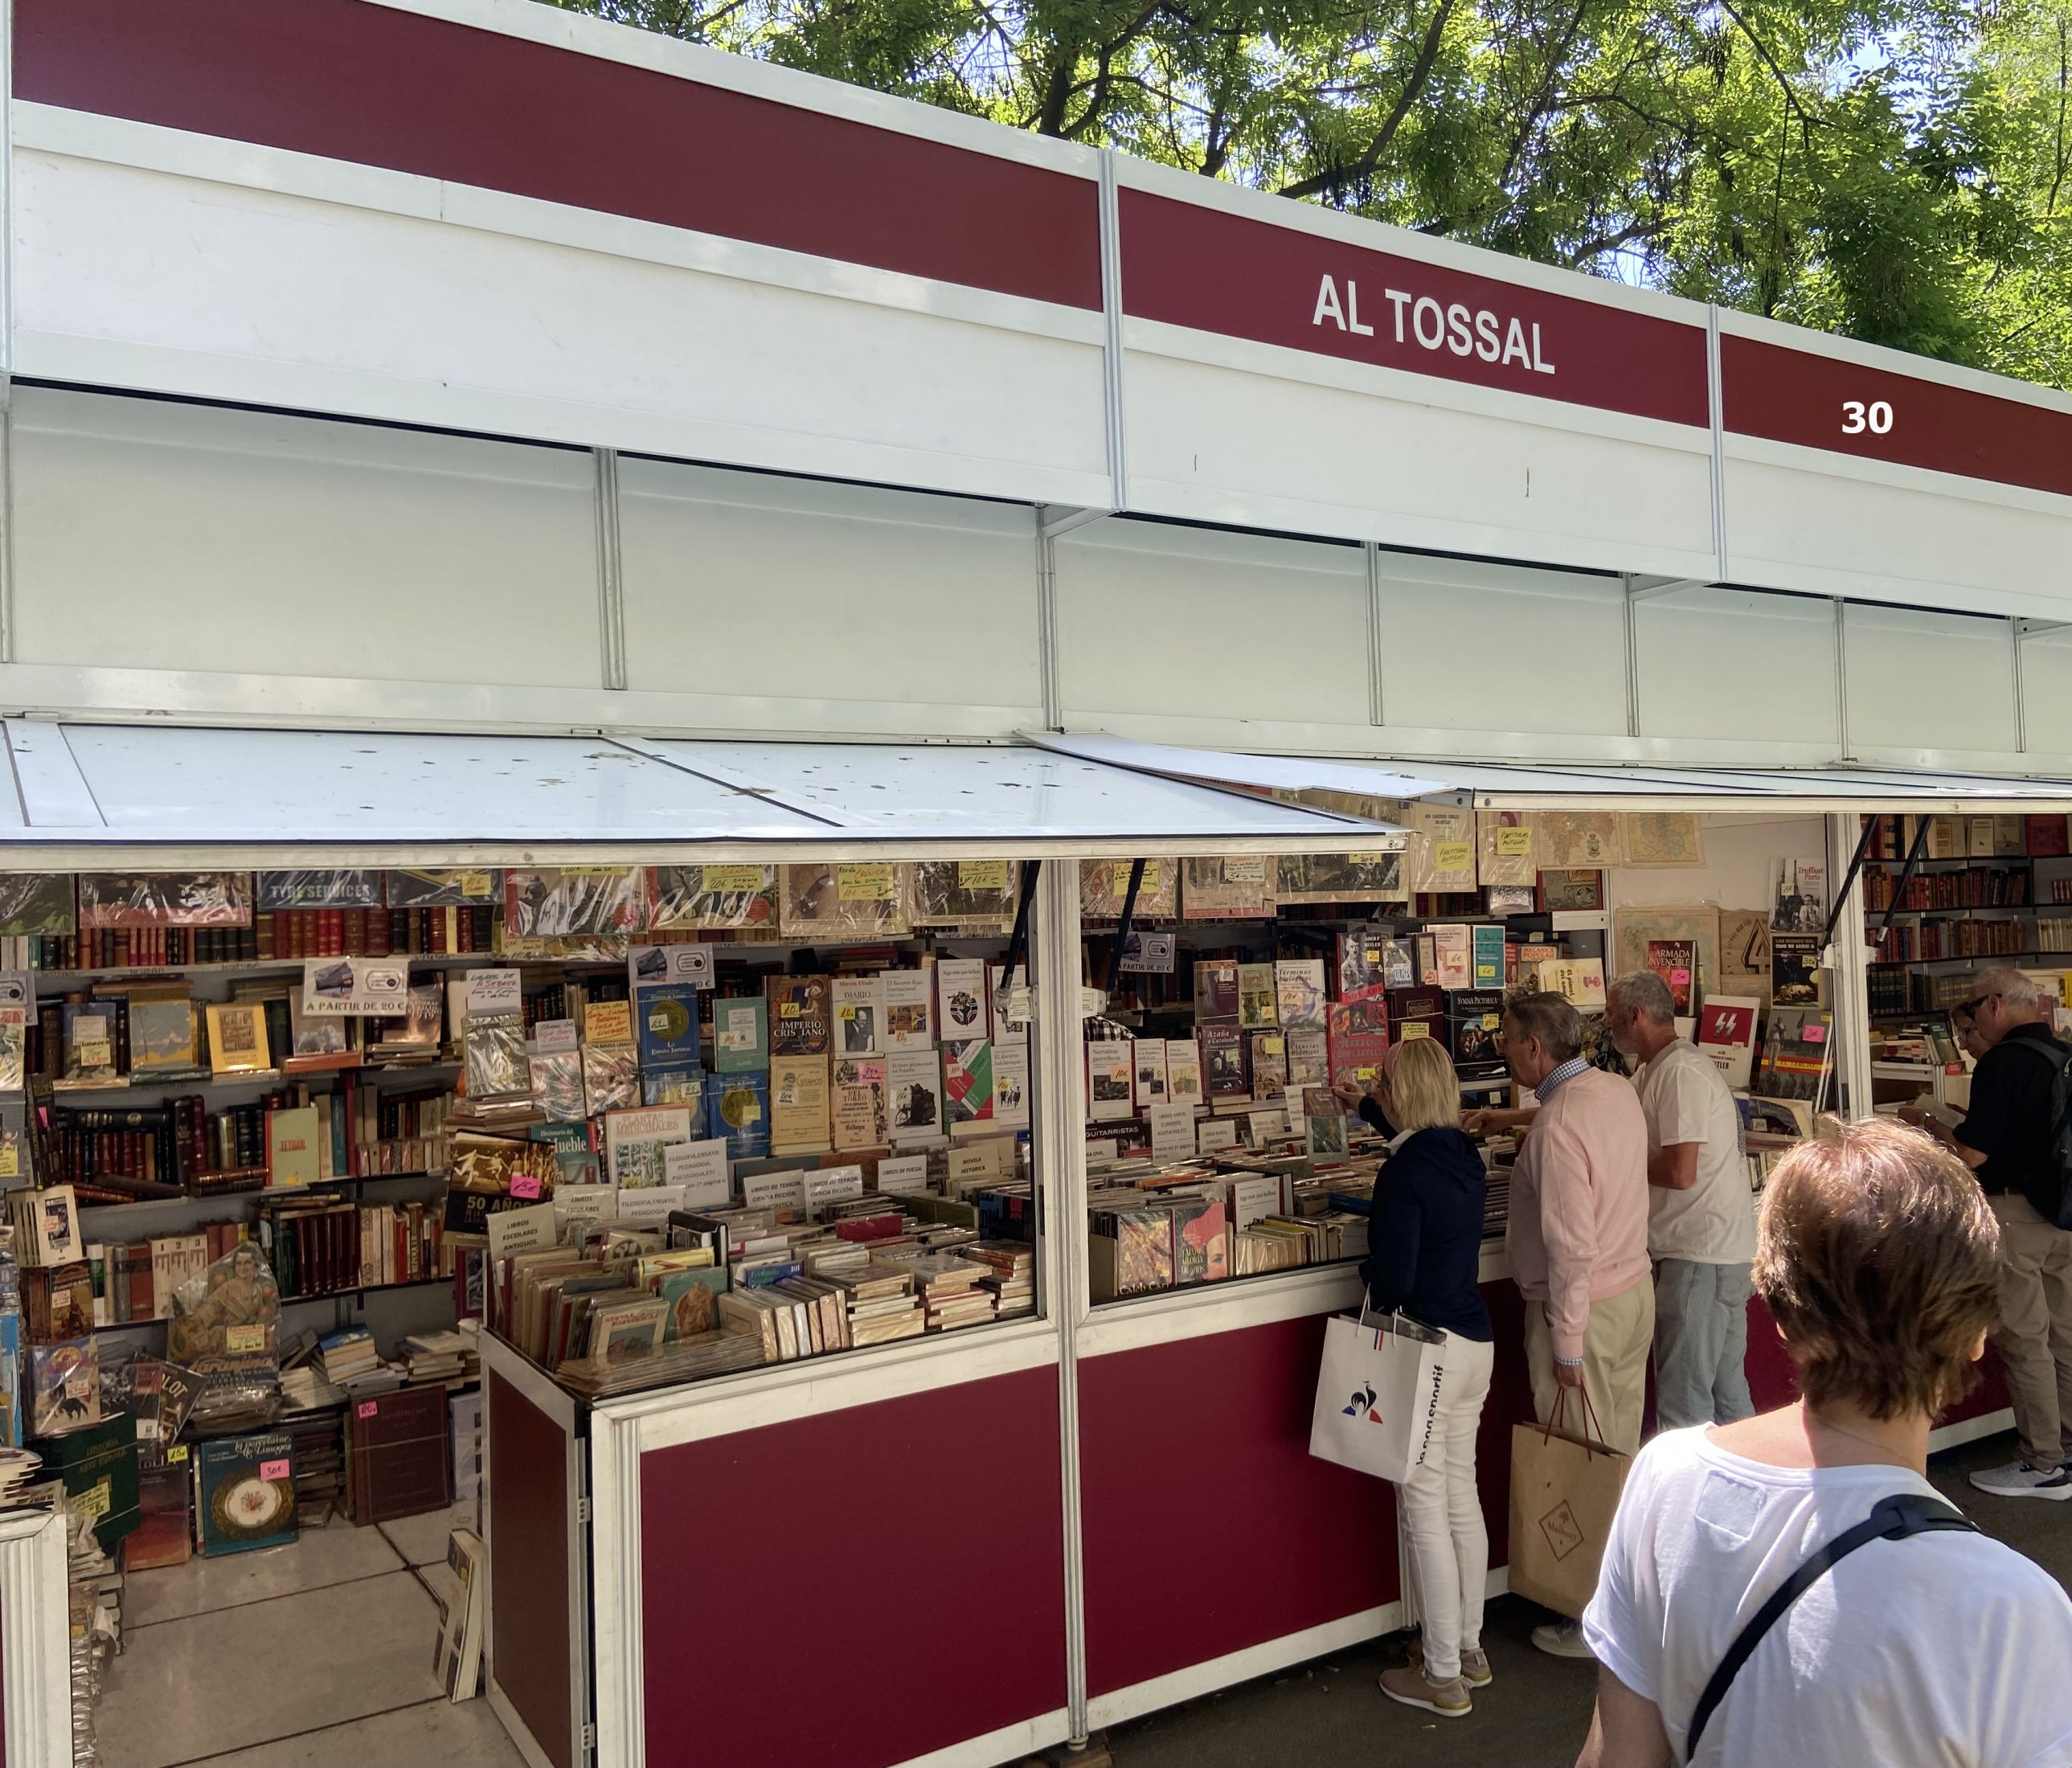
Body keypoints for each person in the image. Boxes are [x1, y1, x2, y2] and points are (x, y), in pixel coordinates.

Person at [1575, 1119, 2072, 1767]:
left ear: (1779, 1317)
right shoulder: (2010, 1611)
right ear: (1978, 1331)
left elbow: (1615, 1758)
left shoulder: (1664, 1481)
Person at [1501, 990, 1653, 1660]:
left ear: (1537, 1048)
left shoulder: (1558, 1125)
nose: (1500, 1051)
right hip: (1633, 1291)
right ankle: (1625, 1599)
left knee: (1579, 1457)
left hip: (1585, 1310)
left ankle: (1588, 1614)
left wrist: (1565, 1341)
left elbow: (1569, 1246)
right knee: (1619, 1452)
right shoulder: (1615, 1092)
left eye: (1507, 1040)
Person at [1353, 1039, 1495, 1721]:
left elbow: (1397, 1277)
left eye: (1381, 1081)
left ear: (1402, 1088)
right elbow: (1409, 1145)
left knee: (1423, 1510)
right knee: (1460, 1496)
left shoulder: (1404, 1172)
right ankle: (1468, 1648)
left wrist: (1370, 1280)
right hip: (1475, 1342)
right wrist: (1360, 1109)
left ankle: (1441, 1676)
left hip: (1427, 1347)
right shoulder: (1460, 1154)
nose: (1376, 1087)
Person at [1902, 966, 2072, 1500]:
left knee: (2025, 1340)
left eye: (1974, 1010)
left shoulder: (2002, 1063)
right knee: (2066, 1334)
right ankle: (2067, 1447)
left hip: (2015, 1215)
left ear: (1996, 1005)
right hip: (2064, 1212)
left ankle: (2043, 1461)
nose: (1972, 1021)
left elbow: (1974, 1152)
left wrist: (1928, 1126)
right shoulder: (2064, 1055)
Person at [1604, 972, 1757, 1430]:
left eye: (1611, 1014)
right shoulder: (1656, 1068)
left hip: (1699, 1257)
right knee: (1728, 1397)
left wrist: (1616, 1161)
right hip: (1709, 1253)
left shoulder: (1679, 1072)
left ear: (1636, 1015)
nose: (1606, 1024)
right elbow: (1604, 1114)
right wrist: (1511, 1117)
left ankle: (1695, 1503)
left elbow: (1680, 1172)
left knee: (1685, 1406)